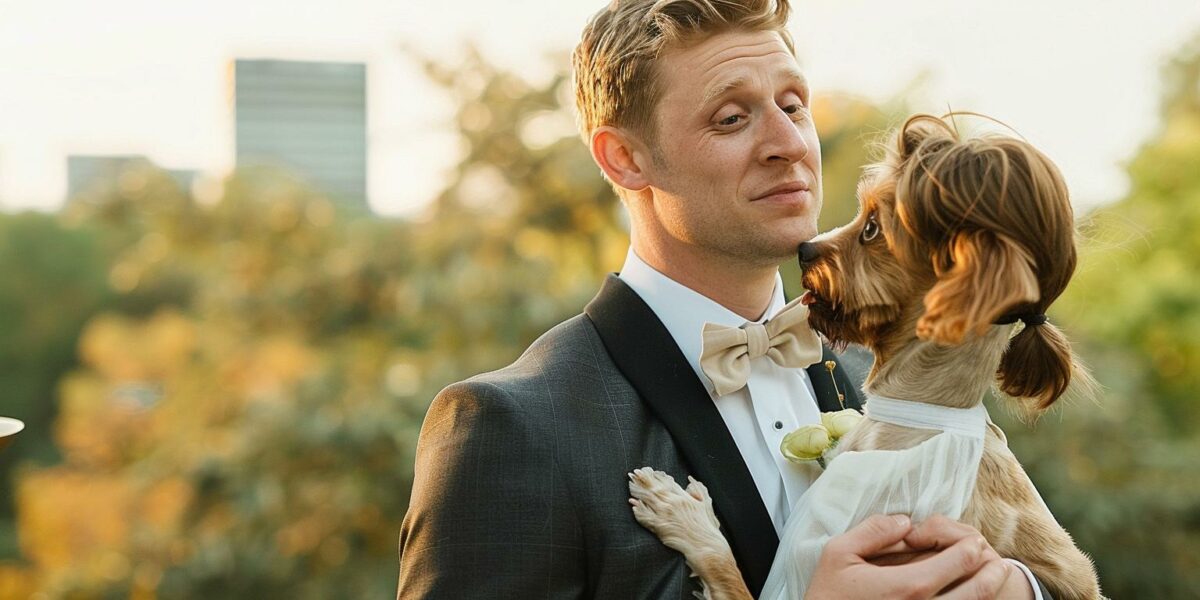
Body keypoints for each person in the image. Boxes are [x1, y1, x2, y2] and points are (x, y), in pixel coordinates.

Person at [398, 1, 1050, 597]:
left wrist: (1015, 588)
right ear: (625, 158)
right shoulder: (513, 428)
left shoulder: (894, 379)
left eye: (793, 105)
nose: (790, 144)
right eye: (732, 117)